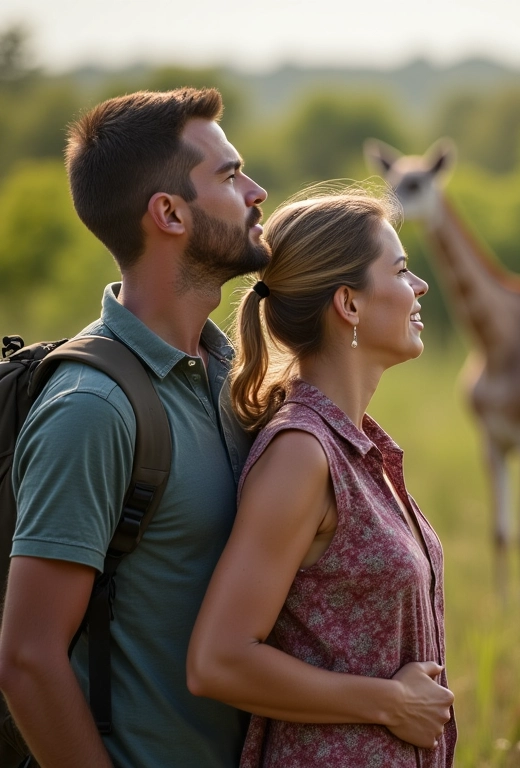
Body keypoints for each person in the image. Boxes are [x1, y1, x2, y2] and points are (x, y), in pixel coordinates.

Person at [0, 88, 268, 767]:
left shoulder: (231, 374)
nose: (258, 191)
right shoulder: (92, 408)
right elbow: (28, 660)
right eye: (231, 176)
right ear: (170, 213)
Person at [187, 187, 457, 767]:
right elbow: (218, 659)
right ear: (349, 305)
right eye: (403, 270)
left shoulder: (355, 445)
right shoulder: (302, 452)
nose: (420, 287)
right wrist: (388, 703)